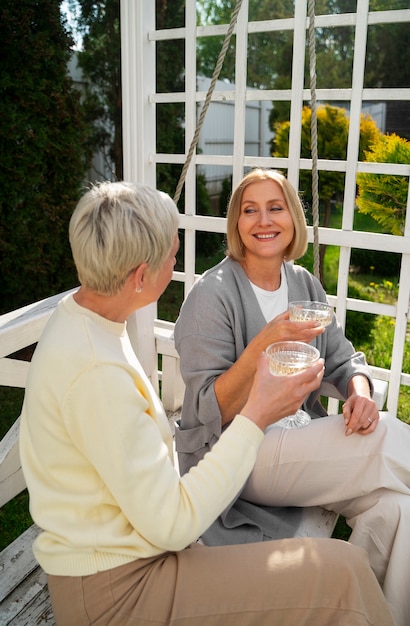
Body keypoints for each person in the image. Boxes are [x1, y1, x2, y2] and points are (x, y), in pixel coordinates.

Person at [18, 180, 395, 626]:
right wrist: (258, 412)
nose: (177, 263)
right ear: (141, 276)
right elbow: (174, 524)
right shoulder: (96, 371)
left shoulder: (87, 322)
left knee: (361, 548)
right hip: (118, 594)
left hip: (137, 557)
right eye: (172, 258)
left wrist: (354, 387)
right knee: (342, 575)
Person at [174, 168, 410, 626]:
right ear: (236, 223)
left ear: (293, 218)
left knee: (399, 508)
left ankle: (371, 613)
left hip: (299, 442)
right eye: (250, 209)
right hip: (236, 452)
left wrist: (359, 392)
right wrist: (265, 340)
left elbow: (344, 361)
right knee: (383, 440)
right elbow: (209, 406)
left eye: (275, 207)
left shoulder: (302, 283)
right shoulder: (212, 294)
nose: (264, 220)